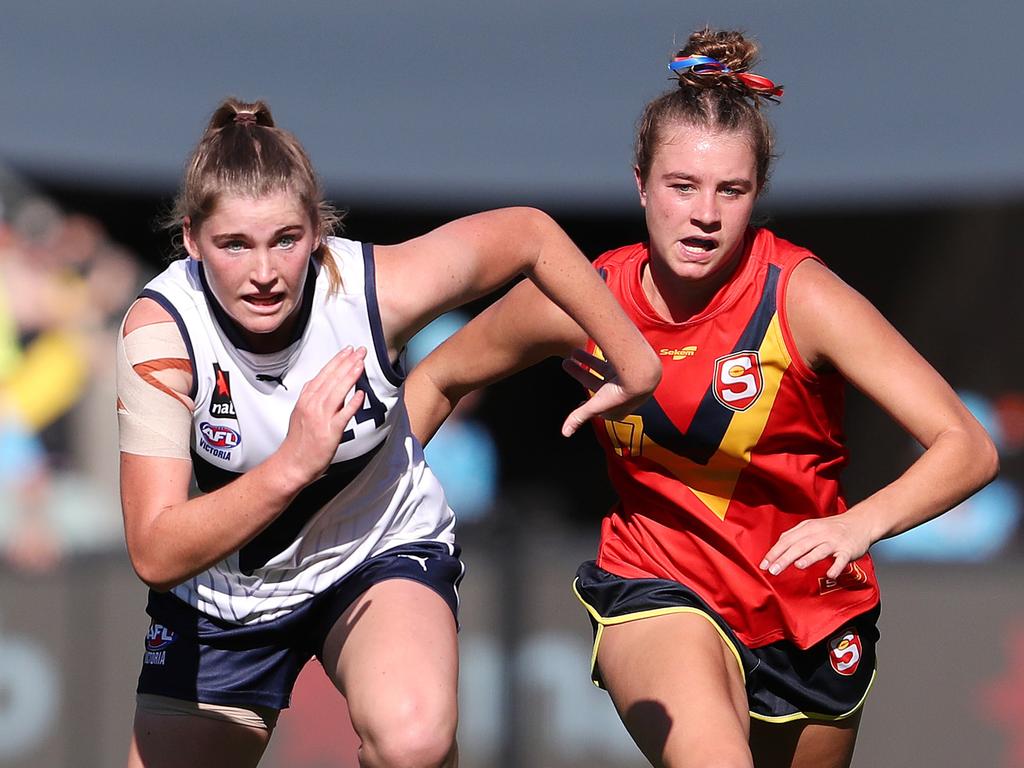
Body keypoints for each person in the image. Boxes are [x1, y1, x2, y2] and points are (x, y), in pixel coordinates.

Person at [404, 27, 998, 768]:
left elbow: (966, 446)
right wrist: (366, 515)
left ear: (758, 196)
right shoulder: (582, 300)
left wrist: (860, 525)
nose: (705, 215)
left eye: (732, 191)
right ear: (640, 185)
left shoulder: (802, 297)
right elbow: (436, 377)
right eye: (682, 187)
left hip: (810, 613)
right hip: (657, 585)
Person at [115, 98, 661, 768]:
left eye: (286, 239)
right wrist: (294, 463)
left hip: (373, 548)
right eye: (235, 245)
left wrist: (635, 358)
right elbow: (155, 550)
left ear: (318, 231)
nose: (264, 272)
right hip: (226, 594)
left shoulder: (376, 288)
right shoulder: (162, 333)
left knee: (414, 740)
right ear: (193, 242)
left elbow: (529, 234)